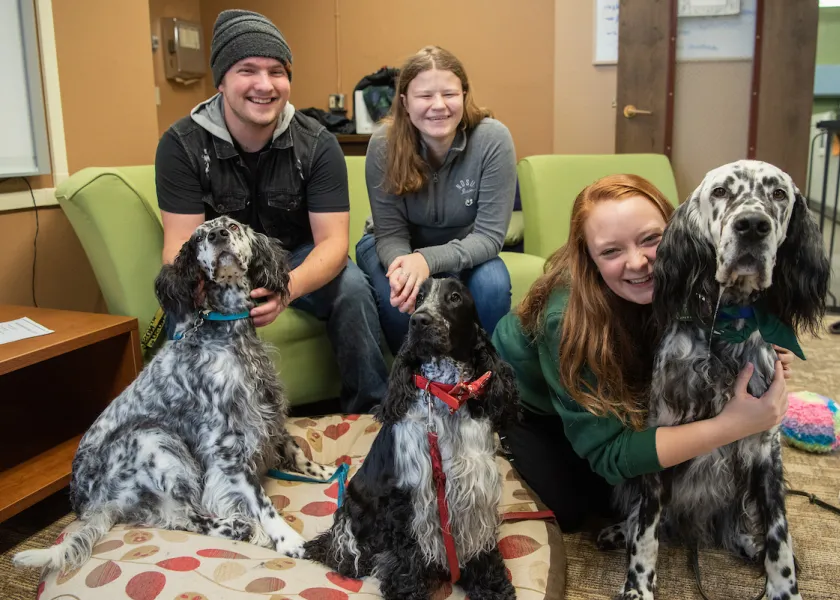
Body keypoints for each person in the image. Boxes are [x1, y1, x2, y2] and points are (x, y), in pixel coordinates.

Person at [491, 174, 795, 532]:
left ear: (681, 230)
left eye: (651, 239)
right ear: (589, 258)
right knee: (584, 505)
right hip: (532, 403)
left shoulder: (694, 268)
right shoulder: (564, 318)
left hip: (626, 376)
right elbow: (611, 456)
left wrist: (758, 354)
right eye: (611, 251)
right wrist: (732, 426)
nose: (638, 263)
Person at [154, 9, 388, 414]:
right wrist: (202, 295)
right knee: (179, 304)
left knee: (351, 287)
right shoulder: (182, 145)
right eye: (248, 70)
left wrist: (288, 288)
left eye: (277, 71)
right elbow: (178, 246)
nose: (265, 85)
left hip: (292, 256)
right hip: (215, 266)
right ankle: (190, 419)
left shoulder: (317, 144)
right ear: (222, 80)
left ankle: (369, 413)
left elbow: (333, 244)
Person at [356, 46, 517, 355]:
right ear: (404, 101)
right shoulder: (382, 145)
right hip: (395, 248)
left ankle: (480, 376)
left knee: (494, 283)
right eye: (425, 96)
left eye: (449, 94)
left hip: (463, 248)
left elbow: (489, 237)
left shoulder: (493, 139)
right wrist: (408, 270)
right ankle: (410, 378)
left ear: (465, 94)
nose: (439, 106)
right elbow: (390, 234)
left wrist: (427, 261)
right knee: (398, 295)